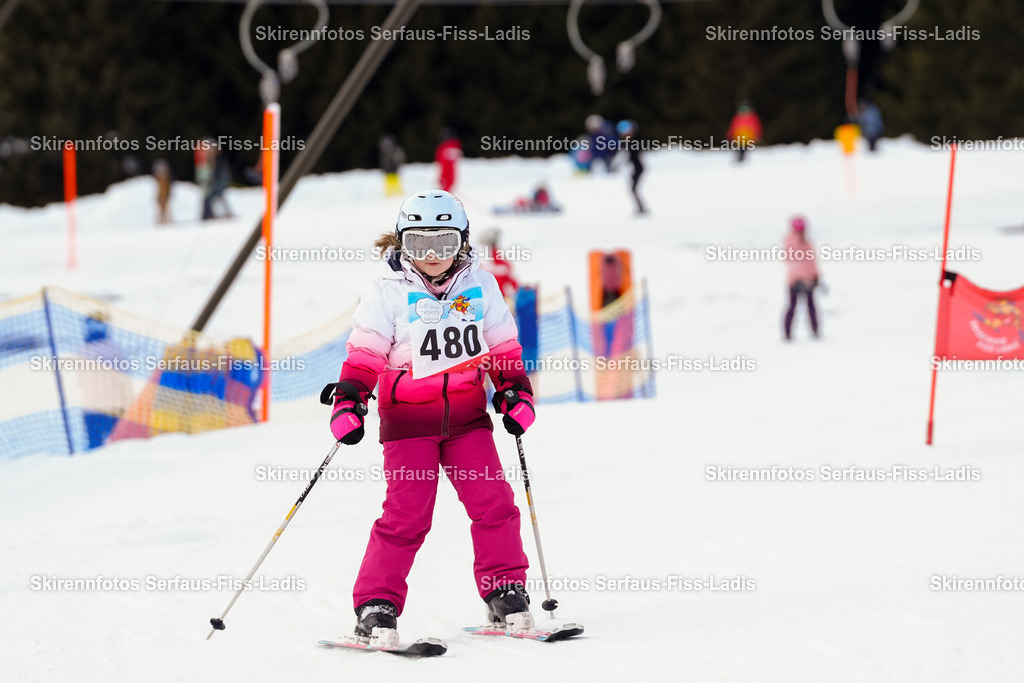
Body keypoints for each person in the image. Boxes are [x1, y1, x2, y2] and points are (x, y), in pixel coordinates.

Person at [329, 189, 536, 646]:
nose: (433, 256)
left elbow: (502, 347)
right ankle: (375, 605)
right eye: (421, 245)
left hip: (466, 419)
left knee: (494, 503)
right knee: (407, 514)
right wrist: (350, 399)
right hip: (407, 423)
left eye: (443, 244)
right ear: (403, 245)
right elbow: (365, 354)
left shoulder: (480, 287)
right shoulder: (386, 292)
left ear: (461, 242)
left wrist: (514, 391)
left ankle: (505, 588)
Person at [783, 216, 820, 340]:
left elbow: (812, 261)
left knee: (811, 307)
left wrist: (815, 276)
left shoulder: (807, 242)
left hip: (807, 281)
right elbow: (792, 261)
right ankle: (787, 333)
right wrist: (798, 278)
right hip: (795, 282)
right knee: (793, 307)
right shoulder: (791, 242)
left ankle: (815, 331)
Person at [476, 227, 519, 302]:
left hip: (489, 299)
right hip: (498, 299)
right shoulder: (501, 261)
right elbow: (512, 282)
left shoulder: (480, 260)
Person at [613, 119, 646, 214]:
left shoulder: (636, 140)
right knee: (633, 189)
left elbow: (633, 154)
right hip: (635, 168)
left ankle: (641, 208)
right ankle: (640, 207)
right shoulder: (627, 142)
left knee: (633, 189)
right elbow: (623, 154)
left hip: (638, 168)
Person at [434, 128, 462, 192]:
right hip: (449, 170)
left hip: (447, 170)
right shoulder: (455, 145)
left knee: (446, 185)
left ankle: (445, 195)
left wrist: (440, 177)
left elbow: (439, 160)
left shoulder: (443, 146)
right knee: (448, 184)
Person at [152, 158, 172, 225]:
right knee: (162, 209)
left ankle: (165, 220)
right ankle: (162, 220)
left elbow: (166, 190)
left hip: (164, 197)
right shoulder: (159, 181)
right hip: (162, 197)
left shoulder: (165, 181)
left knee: (165, 209)